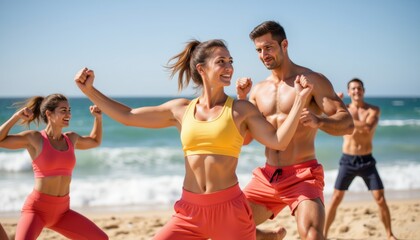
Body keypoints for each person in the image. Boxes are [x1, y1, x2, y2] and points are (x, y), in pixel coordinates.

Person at [74, 39, 313, 240]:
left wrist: (300, 100)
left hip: (231, 210)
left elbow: (279, 141)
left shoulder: (241, 110)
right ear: (201, 69)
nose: (229, 67)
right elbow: (128, 116)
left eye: (231, 61)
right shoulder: (180, 110)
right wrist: (90, 91)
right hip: (189, 212)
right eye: (221, 61)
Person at [236, 20, 354, 240]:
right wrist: (241, 101)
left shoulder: (312, 81)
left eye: (268, 47)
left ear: (285, 44)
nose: (263, 54)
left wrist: (320, 121)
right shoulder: (258, 91)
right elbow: (245, 140)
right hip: (267, 177)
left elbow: (347, 123)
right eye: (259, 50)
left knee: (311, 235)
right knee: (229, 227)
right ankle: (268, 237)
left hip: (302, 175)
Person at [0, 94, 108, 240]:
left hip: (63, 212)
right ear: (49, 114)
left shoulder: (71, 139)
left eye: (69, 110)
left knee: (100, 238)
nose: (68, 114)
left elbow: (95, 141)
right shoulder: (35, 138)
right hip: (36, 211)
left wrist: (98, 118)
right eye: (63, 110)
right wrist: (16, 117)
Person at [324, 78, 397, 240]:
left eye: (359, 88)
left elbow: (367, 128)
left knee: (380, 198)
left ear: (363, 90)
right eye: (353, 89)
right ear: (349, 92)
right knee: (335, 198)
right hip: (347, 160)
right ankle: (324, 235)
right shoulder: (343, 109)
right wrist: (336, 108)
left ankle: (389, 234)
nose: (356, 91)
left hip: (367, 161)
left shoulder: (373, 110)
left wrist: (342, 116)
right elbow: (326, 118)